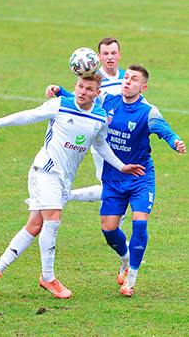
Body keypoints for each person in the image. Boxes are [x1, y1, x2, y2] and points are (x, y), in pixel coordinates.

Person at [0, 73, 145, 299]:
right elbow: (29, 116)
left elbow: (101, 146)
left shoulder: (99, 118)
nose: (82, 92)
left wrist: (122, 167)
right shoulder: (60, 105)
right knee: (53, 220)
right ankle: (48, 278)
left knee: (34, 225)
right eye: (79, 86)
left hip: (63, 179)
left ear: (97, 94)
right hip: (45, 169)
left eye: (88, 89)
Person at [47, 64, 185, 297]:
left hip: (140, 177)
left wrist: (176, 143)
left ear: (143, 87)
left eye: (134, 79)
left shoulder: (149, 112)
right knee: (109, 230)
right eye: (127, 77)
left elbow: (167, 132)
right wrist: (60, 91)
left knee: (139, 224)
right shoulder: (108, 102)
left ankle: (131, 277)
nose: (128, 81)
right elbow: (83, 102)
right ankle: (125, 258)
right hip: (113, 177)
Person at [68, 37, 126, 203]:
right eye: (105, 53)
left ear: (119, 55)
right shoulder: (93, 80)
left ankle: (66, 196)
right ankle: (66, 196)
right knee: (111, 188)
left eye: (113, 53)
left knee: (117, 189)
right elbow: (75, 100)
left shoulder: (126, 78)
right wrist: (58, 92)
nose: (110, 57)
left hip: (124, 142)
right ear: (99, 57)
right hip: (103, 140)